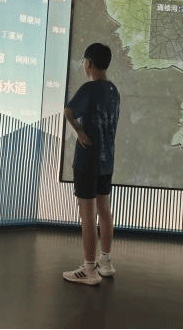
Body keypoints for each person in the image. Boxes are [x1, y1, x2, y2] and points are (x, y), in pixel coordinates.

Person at [62, 43, 120, 286]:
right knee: (104, 211)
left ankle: (89, 269)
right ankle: (105, 262)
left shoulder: (90, 88)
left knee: (87, 215)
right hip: (107, 160)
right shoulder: (113, 90)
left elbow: (68, 111)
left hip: (87, 161)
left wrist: (80, 132)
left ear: (89, 63)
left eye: (84, 62)